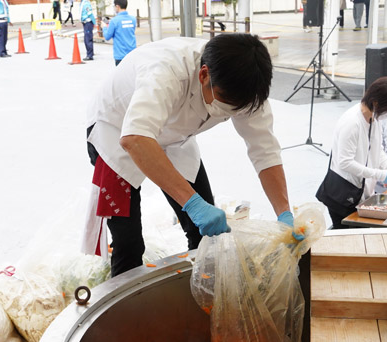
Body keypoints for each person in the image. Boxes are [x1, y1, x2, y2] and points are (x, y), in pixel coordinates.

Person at [84, 34, 293, 276]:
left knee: (204, 234)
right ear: (203, 75)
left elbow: (264, 150)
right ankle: (126, 307)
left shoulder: (248, 91)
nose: (230, 111)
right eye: (226, 102)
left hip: (175, 138)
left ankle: (202, 293)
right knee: (128, 242)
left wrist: (284, 214)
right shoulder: (166, 70)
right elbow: (136, 138)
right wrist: (193, 204)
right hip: (116, 132)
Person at [316, 76, 387, 227]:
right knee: (346, 239)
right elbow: (344, 162)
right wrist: (381, 175)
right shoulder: (352, 123)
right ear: (376, 102)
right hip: (343, 194)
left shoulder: (374, 118)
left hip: (360, 192)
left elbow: (378, 150)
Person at [103, 0, 136, 66]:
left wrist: (104, 27)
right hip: (132, 53)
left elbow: (107, 37)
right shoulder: (133, 19)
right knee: (132, 74)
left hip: (120, 55)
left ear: (117, 6)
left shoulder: (114, 21)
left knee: (122, 75)